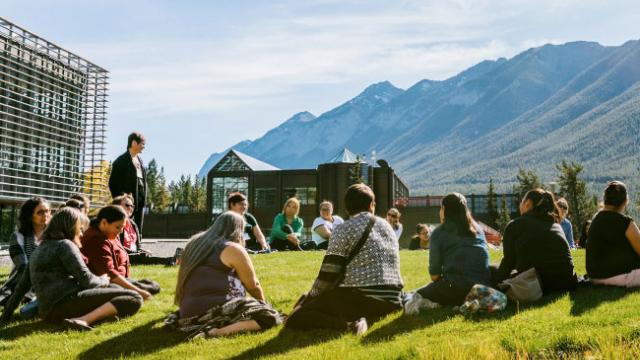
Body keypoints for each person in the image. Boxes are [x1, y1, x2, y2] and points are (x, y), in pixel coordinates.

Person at [285, 184, 403, 335]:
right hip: (392, 300)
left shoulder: (343, 229)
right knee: (308, 301)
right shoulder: (387, 226)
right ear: (371, 205)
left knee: (297, 317)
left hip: (362, 297)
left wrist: (310, 299)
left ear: (347, 208)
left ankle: (349, 326)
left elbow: (329, 273)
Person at [169, 211, 281, 338]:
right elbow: (253, 285)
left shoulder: (194, 244)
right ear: (238, 230)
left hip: (187, 315)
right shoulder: (232, 248)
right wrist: (263, 305)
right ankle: (215, 332)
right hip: (216, 310)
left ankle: (209, 328)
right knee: (269, 317)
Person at [28, 207, 143, 330]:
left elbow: (22, 285)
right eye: (80, 229)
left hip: (47, 311)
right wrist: (104, 280)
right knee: (134, 297)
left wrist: (6, 315)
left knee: (116, 288)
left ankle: (99, 317)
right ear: (70, 227)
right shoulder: (65, 245)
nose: (82, 233)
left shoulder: (39, 248)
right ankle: (83, 320)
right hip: (63, 306)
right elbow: (86, 280)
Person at [404, 193, 490, 314]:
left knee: (414, 295)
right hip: (482, 287)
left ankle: (450, 302)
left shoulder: (439, 232)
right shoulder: (478, 229)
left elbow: (434, 275)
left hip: (455, 289)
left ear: (444, 210)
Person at [492, 189, 578, 294]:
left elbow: (508, 264)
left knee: (492, 269)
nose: (520, 205)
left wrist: (495, 285)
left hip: (538, 286)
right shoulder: (555, 225)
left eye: (522, 201)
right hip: (567, 282)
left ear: (527, 204)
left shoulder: (515, 225)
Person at [81, 206, 160, 300]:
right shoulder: (96, 239)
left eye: (122, 227)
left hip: (120, 280)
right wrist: (139, 291)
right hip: (105, 284)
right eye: (118, 227)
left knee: (153, 286)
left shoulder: (109, 234)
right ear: (104, 222)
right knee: (136, 297)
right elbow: (109, 273)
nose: (120, 231)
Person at [0, 198, 51, 318]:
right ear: (30, 216)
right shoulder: (18, 236)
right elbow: (23, 267)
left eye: (48, 211)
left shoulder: (54, 236)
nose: (45, 215)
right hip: (20, 282)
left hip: (46, 282)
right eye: (40, 212)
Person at [586, 181, 640, 287]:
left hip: (595, 278)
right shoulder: (625, 223)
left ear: (605, 200)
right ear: (625, 201)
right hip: (620, 276)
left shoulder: (595, 220)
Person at [112, 194, 178, 265]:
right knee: (142, 257)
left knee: (145, 255)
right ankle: (171, 260)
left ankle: (172, 260)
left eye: (132, 206)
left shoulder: (133, 224)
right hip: (121, 255)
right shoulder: (113, 224)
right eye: (127, 205)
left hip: (133, 255)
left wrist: (141, 250)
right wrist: (137, 253)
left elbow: (137, 246)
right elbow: (117, 247)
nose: (130, 208)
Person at [109, 132, 147, 231]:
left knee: (138, 230)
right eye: (142, 144)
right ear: (134, 143)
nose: (144, 147)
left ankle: (137, 244)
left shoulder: (140, 161)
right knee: (124, 229)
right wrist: (121, 201)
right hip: (126, 205)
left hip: (139, 204)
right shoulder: (120, 161)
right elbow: (113, 184)